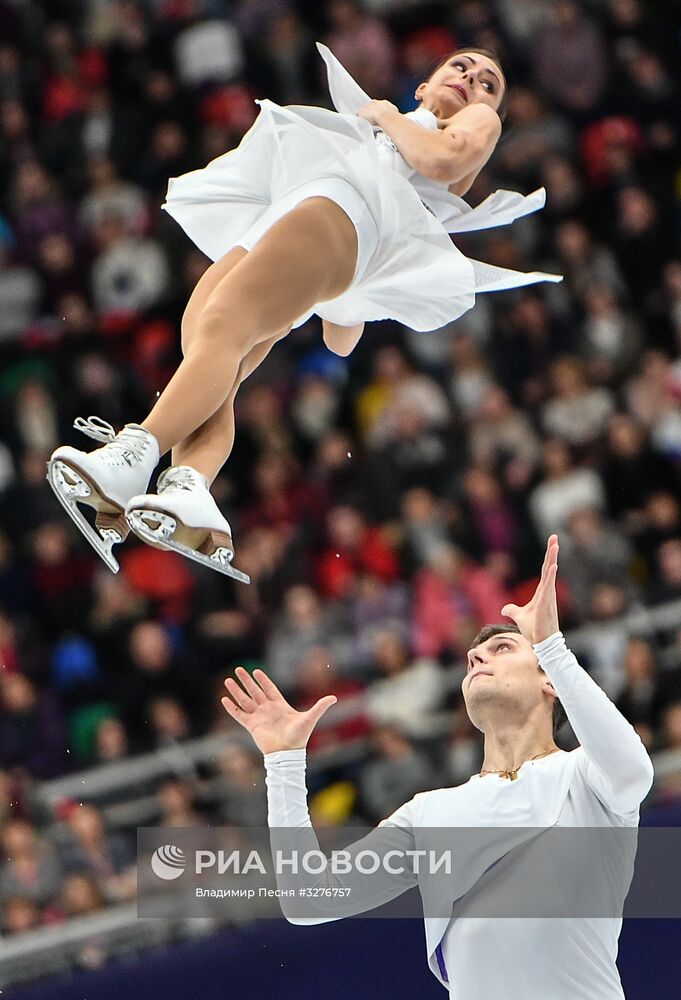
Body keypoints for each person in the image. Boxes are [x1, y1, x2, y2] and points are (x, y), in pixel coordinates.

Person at [47, 45, 559, 581]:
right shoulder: (394, 143)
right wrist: (340, 288)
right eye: (460, 66)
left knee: (223, 327)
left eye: (488, 83)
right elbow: (341, 335)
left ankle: (134, 454)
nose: (472, 79)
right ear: (423, 86)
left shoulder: (466, 124)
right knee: (207, 340)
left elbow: (444, 160)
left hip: (339, 213)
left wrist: (384, 114)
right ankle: (190, 487)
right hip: (297, 216)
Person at [221, 535, 653, 998]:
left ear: (549, 680)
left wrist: (551, 644)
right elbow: (307, 899)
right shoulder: (428, 815)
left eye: (503, 648)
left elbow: (633, 772)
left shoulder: (587, 777)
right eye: (474, 657)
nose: (478, 656)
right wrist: (284, 765)